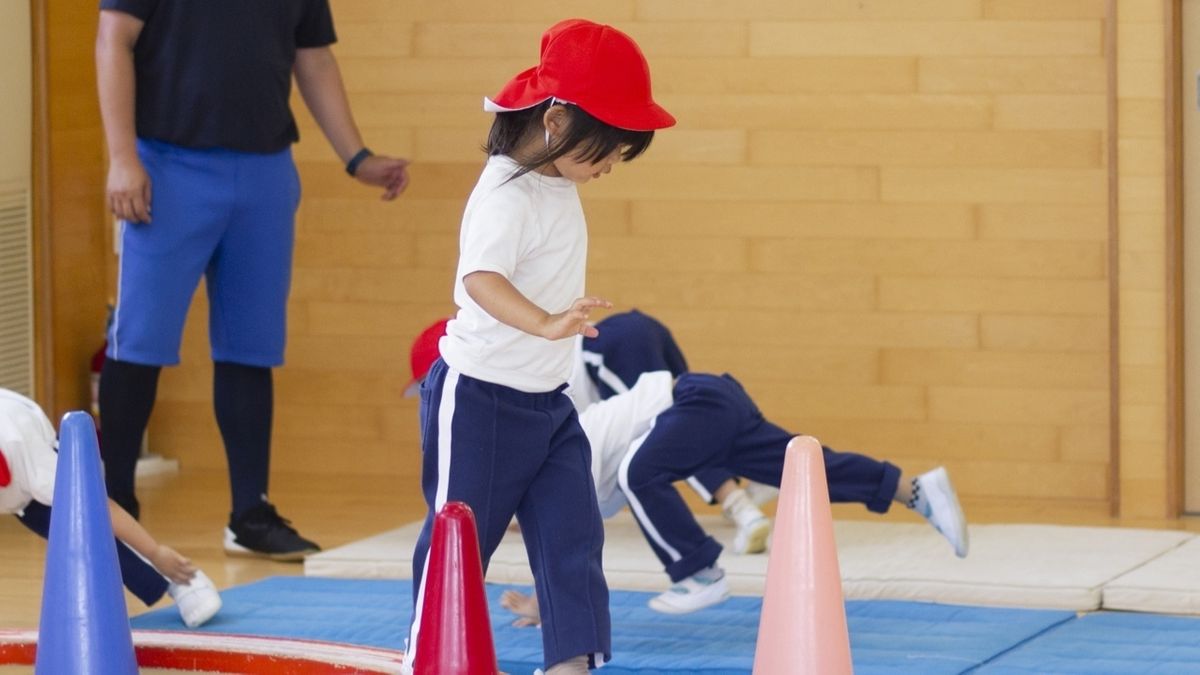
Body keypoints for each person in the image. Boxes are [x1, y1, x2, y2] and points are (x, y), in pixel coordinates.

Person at [404, 19, 674, 675]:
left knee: (572, 537)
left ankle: (570, 661)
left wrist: (552, 333)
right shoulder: (504, 190)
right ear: (556, 119)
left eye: (620, 156)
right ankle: (432, 653)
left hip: (548, 406)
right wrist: (547, 322)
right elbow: (480, 278)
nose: (611, 166)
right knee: (461, 537)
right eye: (607, 151)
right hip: (478, 402)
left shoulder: (557, 181)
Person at [94, 0, 410, 560]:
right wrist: (122, 158)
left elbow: (313, 58)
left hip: (264, 169)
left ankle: (250, 514)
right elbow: (113, 38)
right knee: (139, 341)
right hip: (166, 165)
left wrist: (355, 156)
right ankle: (114, 512)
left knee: (251, 346)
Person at [407, 317, 969, 621]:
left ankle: (699, 572)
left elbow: (565, 548)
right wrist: (544, 602)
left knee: (636, 472)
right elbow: (569, 551)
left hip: (690, 401)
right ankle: (914, 489)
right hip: (710, 401)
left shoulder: (544, 467)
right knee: (800, 468)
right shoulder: (554, 491)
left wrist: (546, 600)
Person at [0, 388, 222, 628]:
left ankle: (183, 580)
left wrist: (155, 552)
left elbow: (99, 507)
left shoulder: (21, 449)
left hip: (35, 475)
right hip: (18, 486)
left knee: (90, 533)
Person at [572, 310, 773, 555]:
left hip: (604, 345)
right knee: (691, 420)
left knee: (675, 434)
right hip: (640, 327)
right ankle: (762, 472)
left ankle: (744, 511)